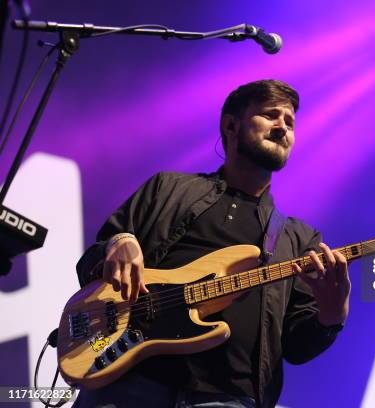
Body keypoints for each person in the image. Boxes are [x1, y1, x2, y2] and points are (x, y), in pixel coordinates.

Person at [73, 79, 351, 408]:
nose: (282, 128)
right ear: (231, 125)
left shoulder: (299, 239)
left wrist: (332, 315)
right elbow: (90, 264)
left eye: (290, 122)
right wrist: (115, 245)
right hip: (130, 380)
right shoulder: (169, 188)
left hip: (229, 398)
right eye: (270, 115)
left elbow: (297, 348)